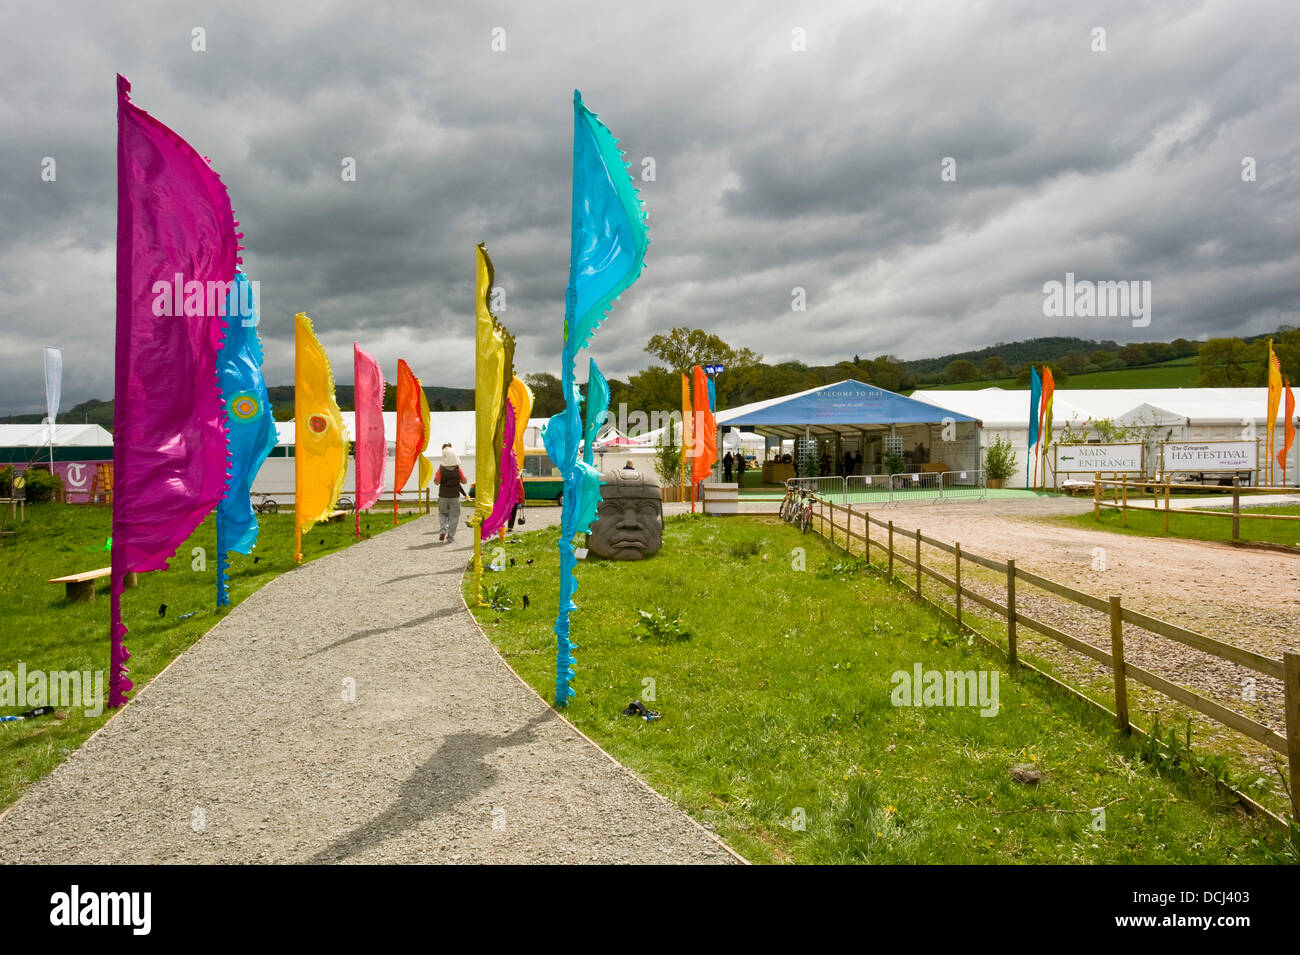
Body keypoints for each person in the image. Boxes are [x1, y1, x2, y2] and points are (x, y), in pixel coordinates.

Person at [434, 444, 468, 542]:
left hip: (443, 495)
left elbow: (436, 482)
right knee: (454, 516)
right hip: (454, 496)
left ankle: (442, 530)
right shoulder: (458, 469)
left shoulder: (441, 469)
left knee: (442, 513)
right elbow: (464, 481)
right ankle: (450, 537)